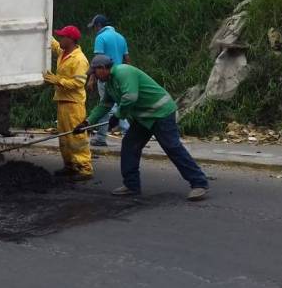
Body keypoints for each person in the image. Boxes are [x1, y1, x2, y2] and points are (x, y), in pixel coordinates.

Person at [75, 55, 209, 200]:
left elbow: (130, 97)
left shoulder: (123, 72)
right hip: (143, 118)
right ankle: (131, 185)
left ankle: (199, 183)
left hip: (161, 113)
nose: (93, 76)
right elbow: (104, 105)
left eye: (94, 72)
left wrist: (118, 116)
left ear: (102, 68)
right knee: (129, 145)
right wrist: (87, 123)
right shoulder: (110, 84)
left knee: (172, 147)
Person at [44, 25, 93, 181]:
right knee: (64, 137)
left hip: (74, 104)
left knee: (76, 137)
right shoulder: (64, 52)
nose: (60, 39)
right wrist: (45, 33)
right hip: (63, 101)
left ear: (70, 39)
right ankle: (70, 165)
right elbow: (55, 46)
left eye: (62, 37)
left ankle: (85, 168)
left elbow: (78, 83)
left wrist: (58, 81)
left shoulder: (79, 60)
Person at [87, 14, 131, 147]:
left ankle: (101, 137)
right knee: (118, 104)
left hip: (105, 76)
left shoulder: (101, 37)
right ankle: (128, 134)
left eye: (94, 27)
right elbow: (127, 59)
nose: (94, 29)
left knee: (105, 106)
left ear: (99, 25)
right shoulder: (120, 37)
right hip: (120, 77)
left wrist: (91, 78)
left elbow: (98, 61)